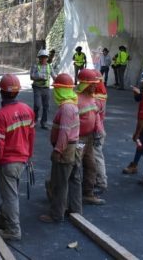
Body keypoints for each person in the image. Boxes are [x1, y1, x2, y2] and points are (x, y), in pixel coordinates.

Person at [0, 74, 35, 240]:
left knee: (10, 196)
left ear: (1, 92)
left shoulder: (1, 115)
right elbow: (31, 136)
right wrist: (29, 156)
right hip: (22, 160)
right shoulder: (27, 110)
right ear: (17, 92)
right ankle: (3, 218)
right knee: (11, 193)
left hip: (8, 163)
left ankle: (13, 230)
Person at [40, 74, 83, 223]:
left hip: (66, 149)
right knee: (74, 180)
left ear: (61, 90)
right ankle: (76, 209)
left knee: (60, 183)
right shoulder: (73, 104)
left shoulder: (66, 108)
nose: (55, 92)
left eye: (57, 89)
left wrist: (58, 150)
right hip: (74, 147)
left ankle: (57, 214)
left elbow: (64, 132)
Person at [75, 69, 105, 204]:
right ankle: (56, 190)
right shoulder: (75, 99)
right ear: (85, 84)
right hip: (78, 139)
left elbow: (96, 114)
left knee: (91, 166)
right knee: (72, 166)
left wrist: (98, 130)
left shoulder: (91, 97)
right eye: (93, 84)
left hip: (89, 138)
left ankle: (88, 193)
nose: (95, 86)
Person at [31, 49, 56, 129]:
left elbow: (54, 76)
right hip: (37, 88)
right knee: (37, 105)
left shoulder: (49, 66)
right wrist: (39, 78)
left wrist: (60, 81)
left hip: (46, 88)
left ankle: (43, 123)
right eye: (41, 57)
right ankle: (34, 120)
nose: (43, 59)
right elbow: (32, 77)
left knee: (46, 106)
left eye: (44, 57)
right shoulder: (35, 66)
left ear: (47, 58)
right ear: (39, 58)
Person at [93, 79, 108, 193]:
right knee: (94, 156)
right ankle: (95, 180)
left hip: (96, 132)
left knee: (97, 156)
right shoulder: (101, 95)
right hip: (98, 130)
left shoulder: (96, 99)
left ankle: (101, 182)